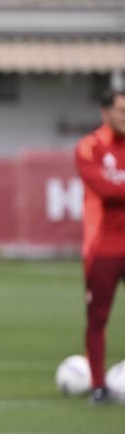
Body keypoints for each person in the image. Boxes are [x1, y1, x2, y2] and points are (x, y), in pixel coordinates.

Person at [74, 87, 125, 405]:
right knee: (98, 316)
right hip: (103, 246)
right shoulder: (90, 147)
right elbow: (106, 190)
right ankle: (97, 385)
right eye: (120, 110)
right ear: (105, 113)